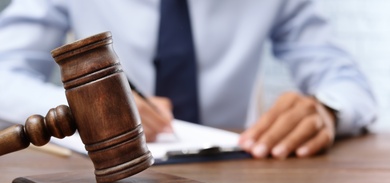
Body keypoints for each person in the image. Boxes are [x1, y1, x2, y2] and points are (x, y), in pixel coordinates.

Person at [0, 0, 377, 159]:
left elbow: (346, 81)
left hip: (236, 173)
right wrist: (89, 109)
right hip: (104, 173)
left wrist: (328, 109)